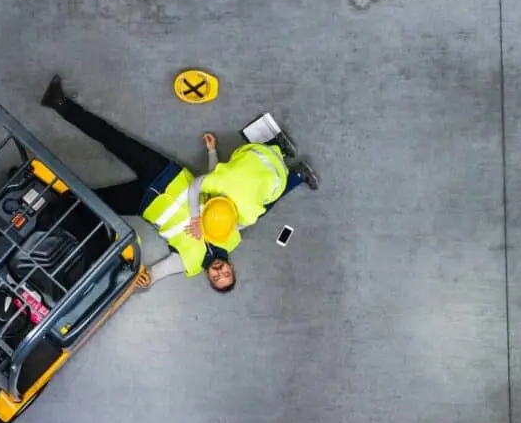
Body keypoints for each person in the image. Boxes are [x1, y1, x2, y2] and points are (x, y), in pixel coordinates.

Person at [40, 75, 318, 292]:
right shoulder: (232, 236)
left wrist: (147, 281)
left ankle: (40, 198)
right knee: (112, 138)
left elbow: (156, 273)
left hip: (142, 202)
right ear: (231, 267)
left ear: (209, 278)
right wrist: (213, 153)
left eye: (217, 278)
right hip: (165, 173)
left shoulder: (190, 264)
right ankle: (60, 103)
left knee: (87, 200)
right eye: (227, 274)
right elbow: (228, 190)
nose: (220, 272)